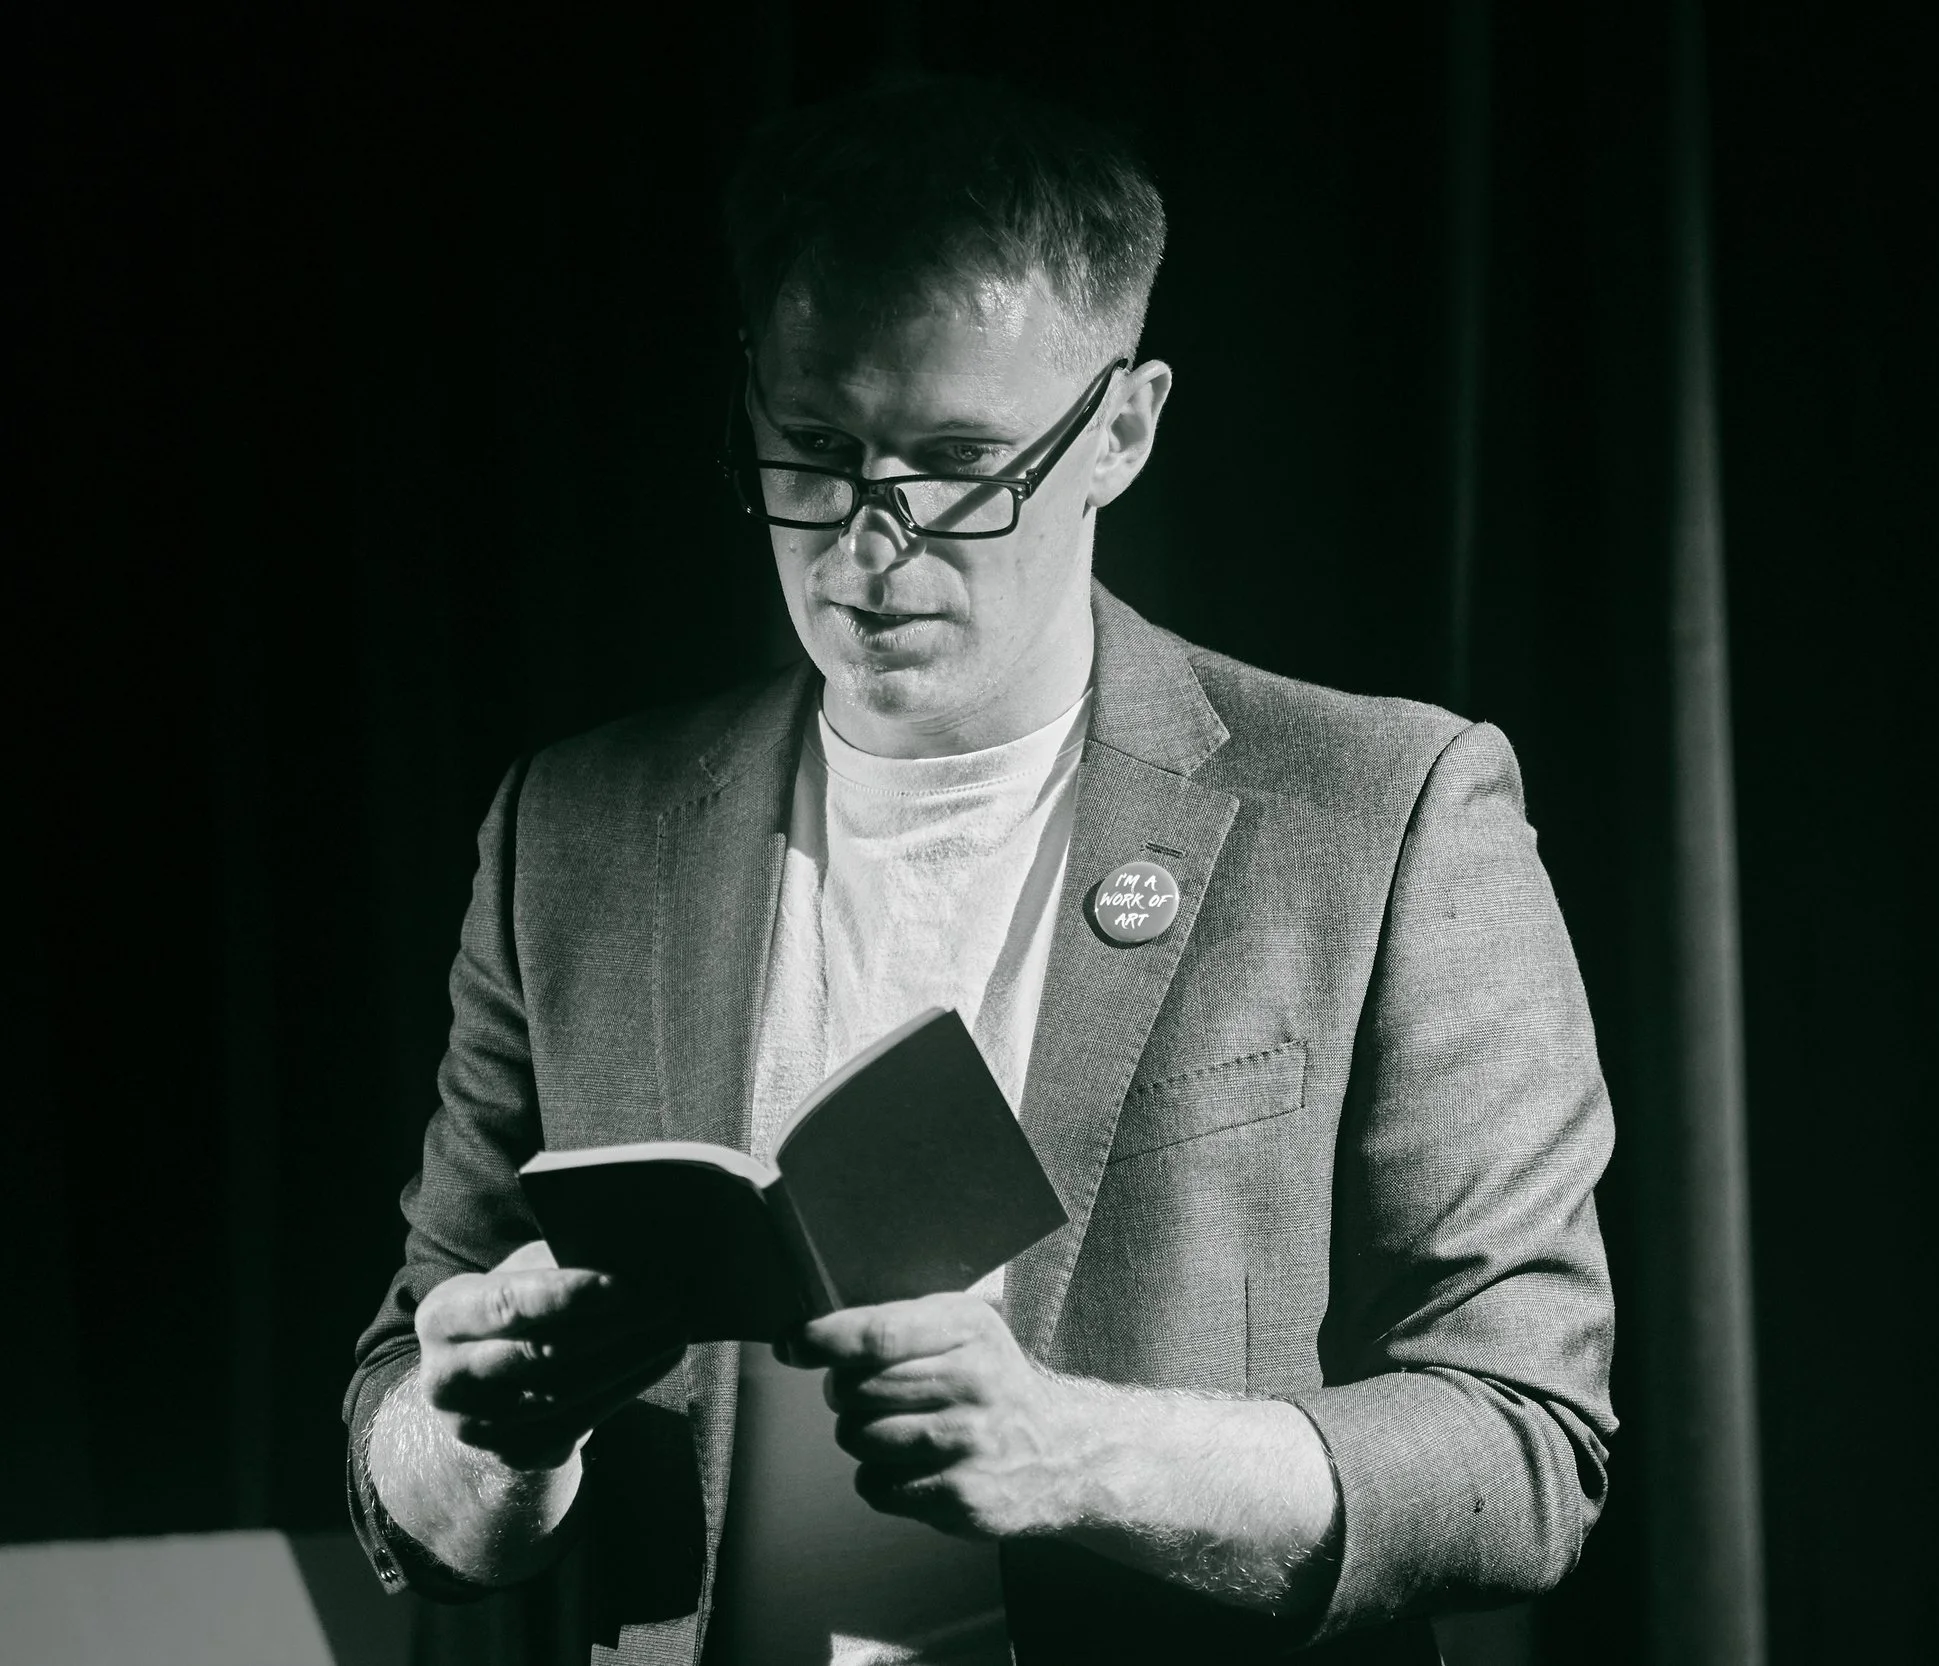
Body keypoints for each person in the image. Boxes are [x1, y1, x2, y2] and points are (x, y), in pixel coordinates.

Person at [344, 78, 1616, 1666]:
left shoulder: (1383, 811)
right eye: (814, 449)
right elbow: (406, 1462)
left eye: (959, 464)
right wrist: (484, 1441)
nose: (874, 547)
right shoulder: (576, 834)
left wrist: (1075, 1450)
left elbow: (1525, 1448)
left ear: (1125, 430)